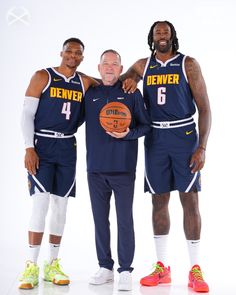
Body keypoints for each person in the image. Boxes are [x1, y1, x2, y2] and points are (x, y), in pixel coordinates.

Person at [122, 21, 211, 293]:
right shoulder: (142, 65)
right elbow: (122, 82)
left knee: (189, 200)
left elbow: (205, 109)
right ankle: (162, 267)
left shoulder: (189, 64)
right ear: (151, 37)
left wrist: (202, 147)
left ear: (173, 36)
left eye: (166, 31)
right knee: (158, 201)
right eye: (157, 32)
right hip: (155, 138)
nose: (162, 35)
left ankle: (195, 269)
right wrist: (129, 80)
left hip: (184, 137)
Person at [19, 37, 98, 289]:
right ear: (61, 53)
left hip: (67, 145)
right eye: (69, 51)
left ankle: (52, 264)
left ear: (82, 58)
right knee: (40, 204)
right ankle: (31, 266)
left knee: (61, 206)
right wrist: (29, 147)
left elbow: (107, 86)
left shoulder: (84, 82)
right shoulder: (43, 76)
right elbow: (26, 115)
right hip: (42, 144)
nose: (72, 56)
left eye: (77, 53)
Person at [83, 49, 150, 291]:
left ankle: (125, 270)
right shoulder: (89, 93)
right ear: (98, 68)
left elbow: (146, 126)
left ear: (121, 70)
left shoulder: (131, 92)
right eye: (105, 64)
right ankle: (105, 267)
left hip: (123, 169)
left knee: (124, 220)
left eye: (115, 64)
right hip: (95, 170)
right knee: (100, 221)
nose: (110, 67)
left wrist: (128, 133)